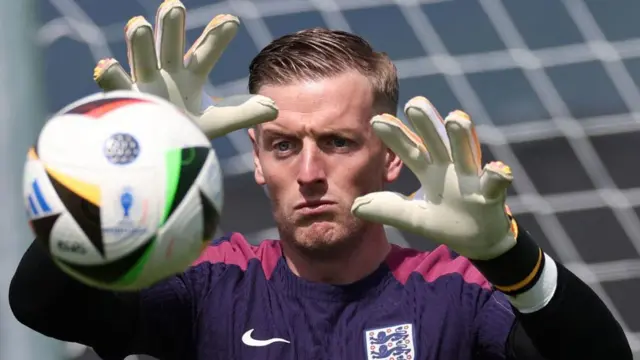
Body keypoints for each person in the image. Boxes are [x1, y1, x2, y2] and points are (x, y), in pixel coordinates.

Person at [9, 2, 632, 360]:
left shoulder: (453, 291)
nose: (309, 173)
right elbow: (42, 304)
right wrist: (134, 154)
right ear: (256, 159)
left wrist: (507, 254)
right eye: (283, 146)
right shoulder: (212, 281)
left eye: (337, 142)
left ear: (391, 156)